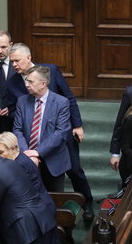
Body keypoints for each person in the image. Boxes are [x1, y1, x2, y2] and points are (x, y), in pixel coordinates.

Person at [8, 43, 95, 221]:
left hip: (58, 136)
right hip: (31, 139)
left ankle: (87, 204)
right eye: (12, 62)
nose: (14, 65)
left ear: (28, 57)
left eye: (17, 60)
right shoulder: (14, 82)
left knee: (75, 170)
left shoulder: (51, 71)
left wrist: (77, 124)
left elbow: (68, 96)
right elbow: (18, 117)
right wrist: (27, 151)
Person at [13, 65, 71, 192]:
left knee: (54, 201)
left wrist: (38, 152)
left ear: (43, 84)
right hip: (27, 159)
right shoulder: (22, 101)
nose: (26, 84)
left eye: (30, 81)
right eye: (26, 80)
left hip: (53, 161)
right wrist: (27, 153)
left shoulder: (61, 103)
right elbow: (17, 129)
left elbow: (61, 133)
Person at [0, 131, 55, 213]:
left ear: (13, 149)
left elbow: (14, 197)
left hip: (38, 212)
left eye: (1, 152)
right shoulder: (18, 160)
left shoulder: (20, 166)